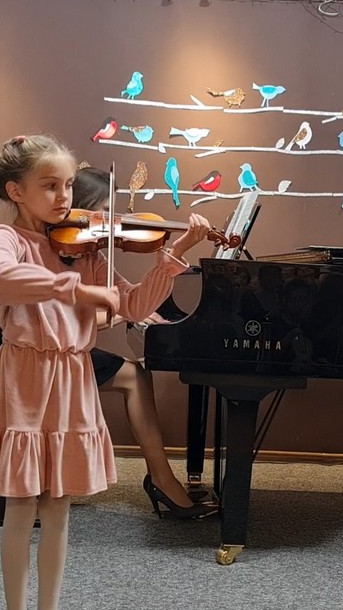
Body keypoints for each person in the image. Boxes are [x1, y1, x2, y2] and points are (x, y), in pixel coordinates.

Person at [0, 134, 211, 610]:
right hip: (24, 377)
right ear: (16, 191)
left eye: (68, 186)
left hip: (72, 378)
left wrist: (175, 251)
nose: (65, 198)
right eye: (50, 186)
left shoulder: (87, 251)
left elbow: (133, 304)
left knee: (58, 506)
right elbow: (3, 278)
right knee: (21, 505)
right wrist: (75, 290)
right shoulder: (7, 239)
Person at [71, 166, 213, 516]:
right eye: (106, 211)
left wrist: (177, 248)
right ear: (80, 209)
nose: (113, 222)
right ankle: (162, 480)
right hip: (45, 356)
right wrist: (119, 314)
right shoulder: (51, 252)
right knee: (134, 376)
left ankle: (162, 478)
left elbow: (134, 303)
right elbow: (70, 321)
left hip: (74, 352)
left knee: (136, 375)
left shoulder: (93, 256)